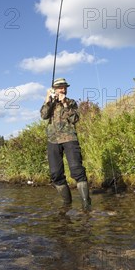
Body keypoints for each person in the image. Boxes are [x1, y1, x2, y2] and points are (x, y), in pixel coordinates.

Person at [40, 78, 91, 211]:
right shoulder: (49, 103)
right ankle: (67, 204)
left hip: (70, 139)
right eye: (60, 87)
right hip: (53, 140)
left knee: (77, 170)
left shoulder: (71, 102)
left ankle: (86, 205)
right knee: (55, 174)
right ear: (54, 89)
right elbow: (44, 116)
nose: (63, 89)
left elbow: (75, 119)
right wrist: (47, 100)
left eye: (64, 87)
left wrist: (64, 103)